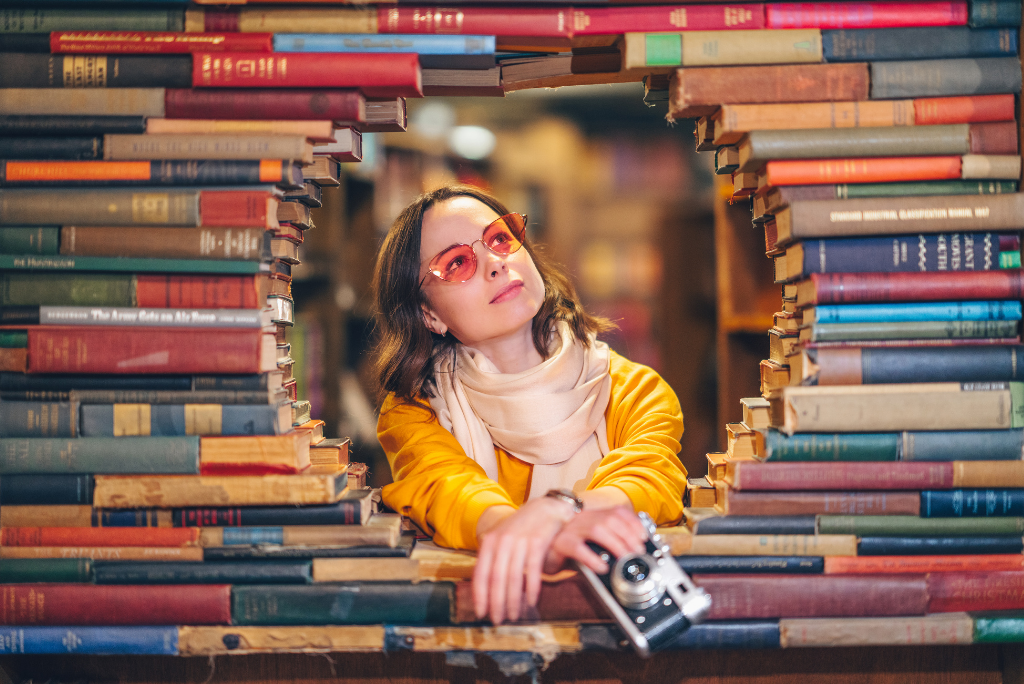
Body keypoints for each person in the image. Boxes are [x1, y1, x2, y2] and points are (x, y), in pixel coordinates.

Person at [370, 185, 687, 625]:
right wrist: (521, 529)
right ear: (429, 315)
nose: (496, 263)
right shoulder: (414, 412)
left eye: (500, 239)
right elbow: (447, 490)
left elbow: (649, 479)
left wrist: (558, 511)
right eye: (457, 263)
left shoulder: (634, 390)